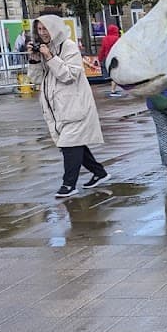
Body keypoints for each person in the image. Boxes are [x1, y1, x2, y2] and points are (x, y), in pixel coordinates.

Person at [26, 13, 111, 198]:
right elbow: (37, 78)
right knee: (73, 144)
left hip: (75, 104)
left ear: (54, 28)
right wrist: (34, 59)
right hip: (56, 107)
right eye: (39, 29)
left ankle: (69, 184)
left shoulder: (69, 47)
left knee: (69, 144)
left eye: (45, 29)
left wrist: (50, 57)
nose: (42, 33)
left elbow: (69, 75)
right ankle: (99, 172)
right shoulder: (44, 48)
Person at [98, 24, 122, 97]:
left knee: (112, 74)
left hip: (107, 58)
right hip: (115, 58)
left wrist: (100, 58)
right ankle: (113, 90)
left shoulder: (105, 39)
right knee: (115, 74)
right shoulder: (117, 38)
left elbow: (102, 50)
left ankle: (113, 89)